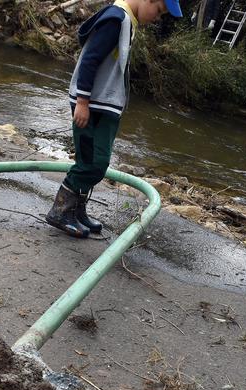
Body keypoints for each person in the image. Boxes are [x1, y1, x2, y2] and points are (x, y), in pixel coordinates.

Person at [46, 0, 183, 238]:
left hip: (104, 106)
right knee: (91, 162)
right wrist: (82, 102)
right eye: (159, 11)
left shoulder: (127, 20)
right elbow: (90, 59)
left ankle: (77, 210)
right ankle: (61, 210)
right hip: (92, 105)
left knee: (99, 162)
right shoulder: (115, 19)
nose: (157, 18)